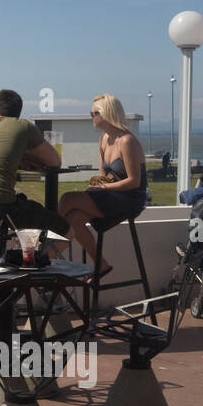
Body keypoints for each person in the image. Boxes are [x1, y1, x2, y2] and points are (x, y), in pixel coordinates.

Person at [0, 89, 69, 236]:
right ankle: (42, 258)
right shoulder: (23, 126)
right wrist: (31, 159)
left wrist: (21, 159)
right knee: (64, 230)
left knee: (23, 206)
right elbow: (54, 161)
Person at [57, 94, 148, 278]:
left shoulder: (127, 141)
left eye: (94, 113)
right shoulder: (103, 139)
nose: (91, 117)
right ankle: (101, 265)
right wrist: (99, 184)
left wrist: (105, 188)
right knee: (74, 218)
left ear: (107, 113)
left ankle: (48, 252)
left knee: (67, 199)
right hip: (111, 194)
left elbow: (134, 182)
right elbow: (104, 176)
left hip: (130, 198)